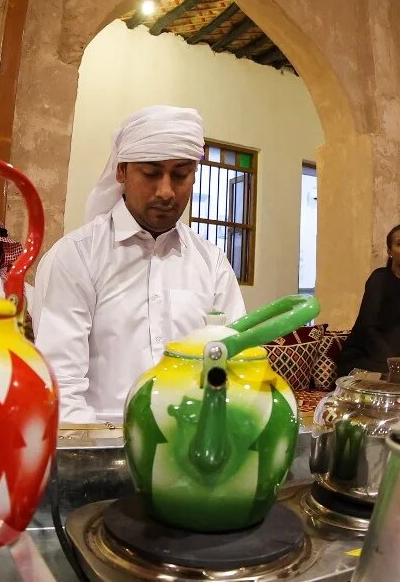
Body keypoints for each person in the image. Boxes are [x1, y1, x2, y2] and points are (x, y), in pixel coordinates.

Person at [32, 105, 246, 423]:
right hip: (102, 440)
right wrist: (106, 448)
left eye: (181, 174)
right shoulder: (76, 257)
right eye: (150, 173)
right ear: (121, 172)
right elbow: (61, 388)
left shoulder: (211, 263)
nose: (166, 191)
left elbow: (236, 366)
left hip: (194, 443)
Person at [337, 224, 400, 376]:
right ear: (390, 252)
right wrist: (398, 362)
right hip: (367, 357)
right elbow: (367, 328)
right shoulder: (379, 279)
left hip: (399, 360)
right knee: (396, 376)